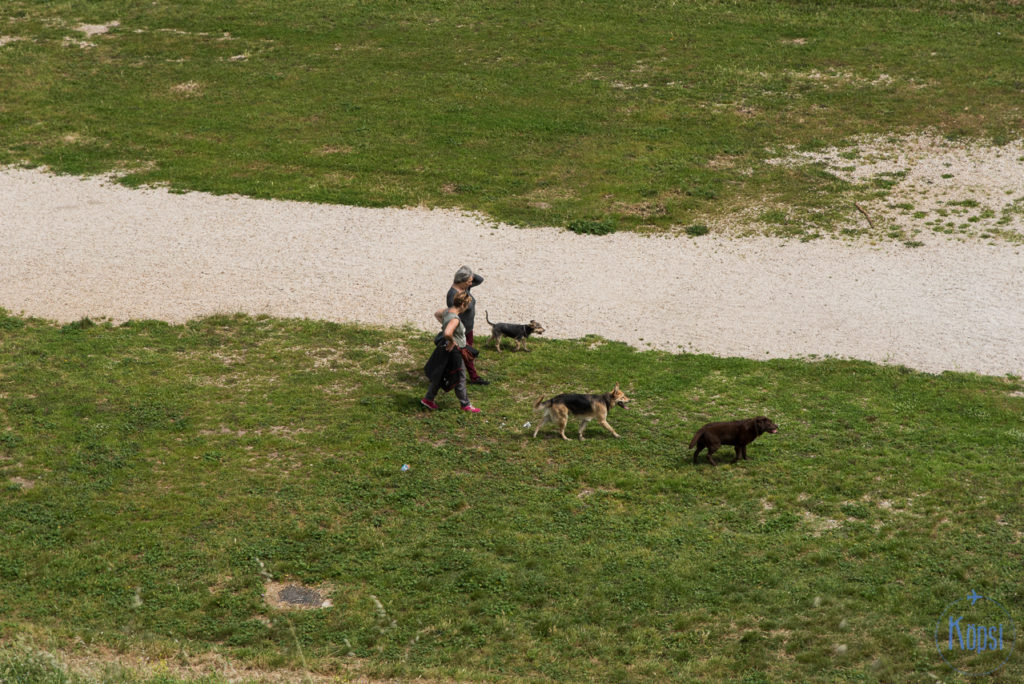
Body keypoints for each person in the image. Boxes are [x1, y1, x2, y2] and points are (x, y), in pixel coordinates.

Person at [422, 290, 481, 413]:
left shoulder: (447, 311)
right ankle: (465, 405)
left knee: (440, 374)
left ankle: (428, 399)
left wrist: (444, 324)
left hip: (444, 348)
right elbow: (447, 333)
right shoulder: (455, 319)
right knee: (460, 376)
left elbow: (437, 314)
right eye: (467, 306)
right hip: (454, 351)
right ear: (463, 305)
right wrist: (452, 340)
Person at [447, 265, 489, 385]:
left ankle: (470, 376)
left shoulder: (465, 288)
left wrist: (468, 273)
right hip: (461, 330)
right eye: (469, 281)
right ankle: (469, 377)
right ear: (462, 281)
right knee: (465, 354)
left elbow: (480, 279)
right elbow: (452, 315)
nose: (472, 283)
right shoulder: (453, 295)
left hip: (468, 328)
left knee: (466, 354)